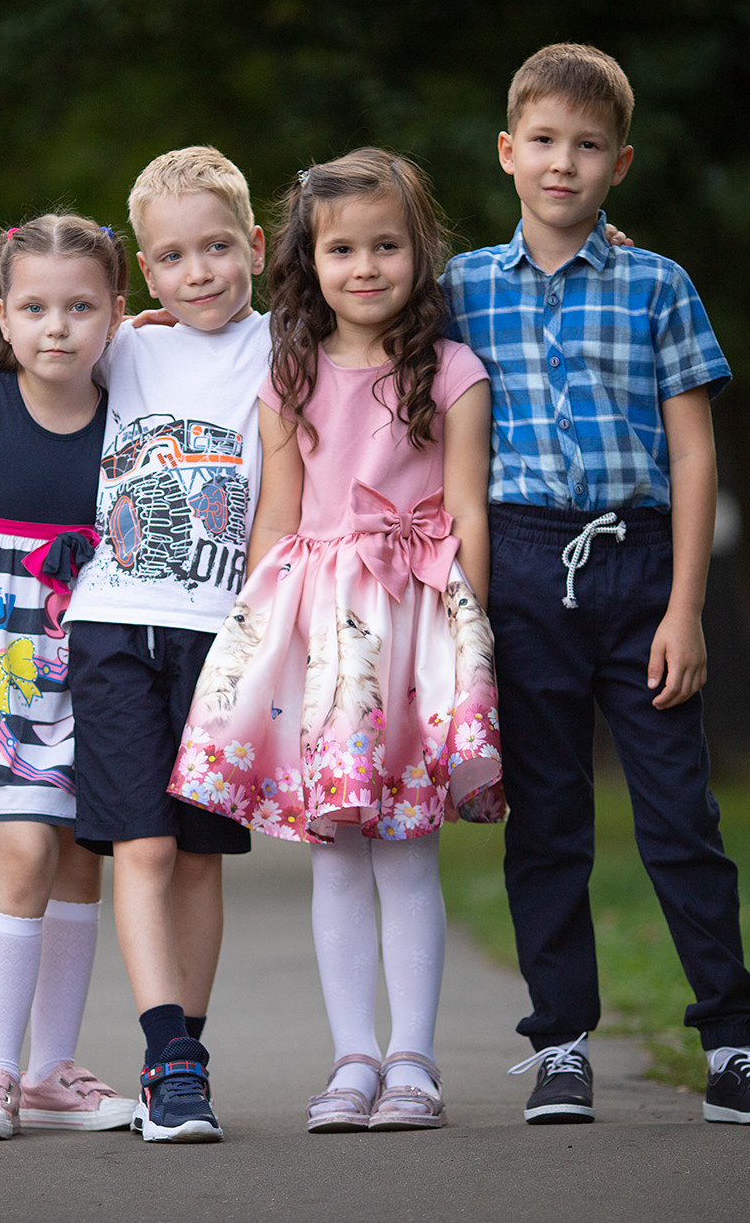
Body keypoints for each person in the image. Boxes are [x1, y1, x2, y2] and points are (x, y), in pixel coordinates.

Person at [442, 42, 750, 1126]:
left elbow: (693, 454)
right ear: (508, 153)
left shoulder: (658, 284)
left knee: (677, 817)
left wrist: (684, 606)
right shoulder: (459, 290)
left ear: (620, 163)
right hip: (516, 570)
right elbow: (343, 329)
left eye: (587, 145)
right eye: (543, 142)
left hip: (640, 568)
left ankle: (732, 1047)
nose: (564, 162)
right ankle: (559, 1042)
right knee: (546, 820)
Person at [168, 148, 506, 1134]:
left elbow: (465, 514)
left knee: (405, 849)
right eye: (342, 248)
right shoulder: (288, 372)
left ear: (420, 250)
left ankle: (412, 1061)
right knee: (334, 852)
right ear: (306, 262)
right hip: (320, 642)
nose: (365, 266)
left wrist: (467, 642)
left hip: (412, 634)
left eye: (386, 245)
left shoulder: (450, 371)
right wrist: (253, 650)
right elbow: (273, 523)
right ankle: (352, 1055)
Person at [63, 146, 270, 1143]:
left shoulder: (286, 349)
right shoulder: (118, 345)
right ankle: (166, 1060)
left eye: (217, 248)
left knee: (196, 856)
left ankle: (189, 1041)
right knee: (137, 843)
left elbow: (396, 316)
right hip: (111, 626)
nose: (198, 271)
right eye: (174, 256)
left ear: (256, 248)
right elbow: (1, 309)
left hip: (220, 637)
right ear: (143, 272)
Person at [0, 215, 138, 1140]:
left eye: (81, 306)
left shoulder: (130, 410)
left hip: (96, 665)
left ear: (116, 316)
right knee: (22, 852)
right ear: (0, 316)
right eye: (36, 307)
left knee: (84, 857)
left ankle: (52, 1070)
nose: (59, 326)